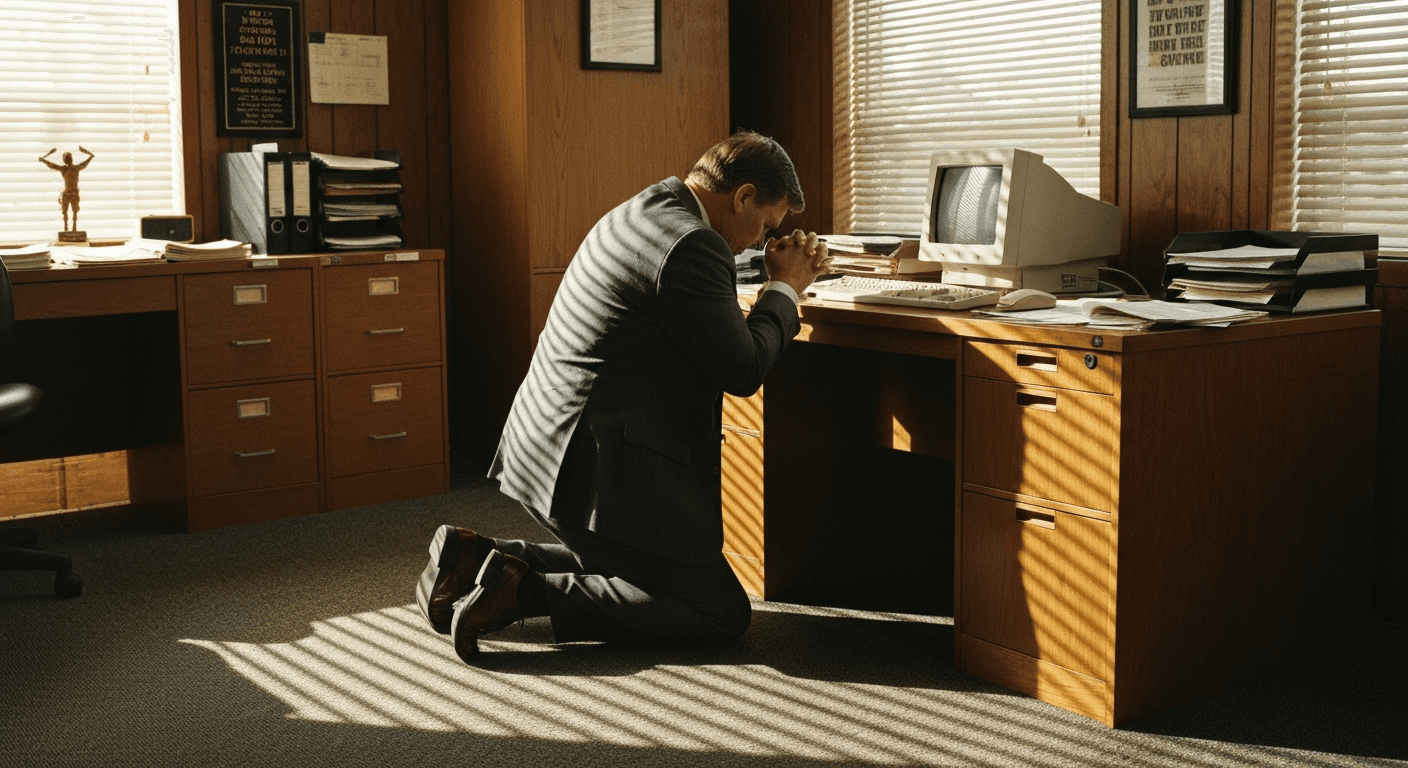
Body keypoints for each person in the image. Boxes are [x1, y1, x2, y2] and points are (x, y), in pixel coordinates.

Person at [416, 131, 832, 662]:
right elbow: (743, 368)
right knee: (718, 609)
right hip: (592, 472)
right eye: (766, 225)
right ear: (744, 196)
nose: (758, 242)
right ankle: (522, 592)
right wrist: (786, 287)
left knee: (637, 569)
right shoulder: (694, 243)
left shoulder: (645, 208)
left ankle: (473, 558)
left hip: (542, 450)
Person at [39, 147, 95, 232]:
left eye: (67, 159)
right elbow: (53, 165)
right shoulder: (67, 169)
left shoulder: (74, 168)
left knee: (74, 211)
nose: (66, 160)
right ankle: (66, 227)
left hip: (73, 192)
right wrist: (44, 161)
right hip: (67, 192)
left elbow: (53, 165)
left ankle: (73, 227)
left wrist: (44, 160)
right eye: (65, 159)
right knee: (65, 212)